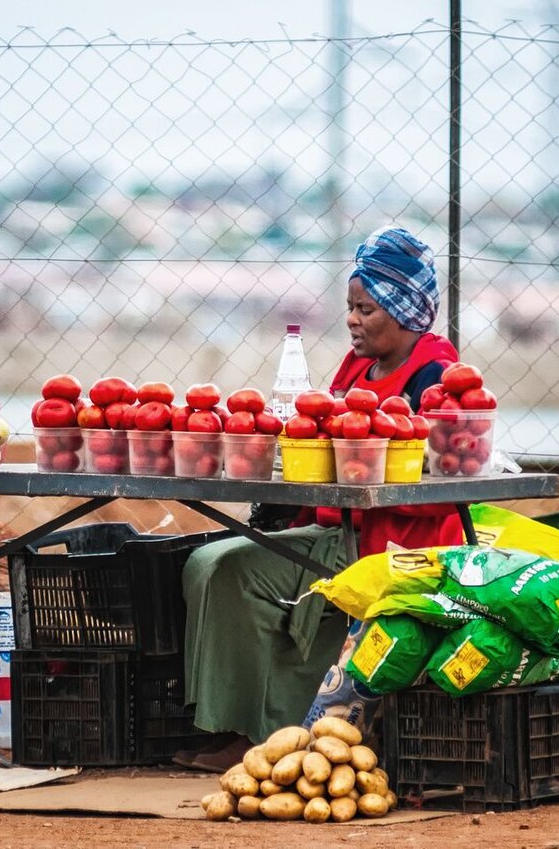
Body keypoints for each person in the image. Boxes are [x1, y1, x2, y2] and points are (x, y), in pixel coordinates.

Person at [178, 226, 466, 771]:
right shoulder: (358, 368)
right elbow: (318, 434)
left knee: (232, 570)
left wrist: (355, 478)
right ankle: (227, 721)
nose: (353, 320)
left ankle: (261, 734)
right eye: (350, 307)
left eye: (366, 308)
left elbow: (438, 492)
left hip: (392, 548)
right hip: (339, 529)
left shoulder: (438, 378)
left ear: (403, 309)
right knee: (205, 562)